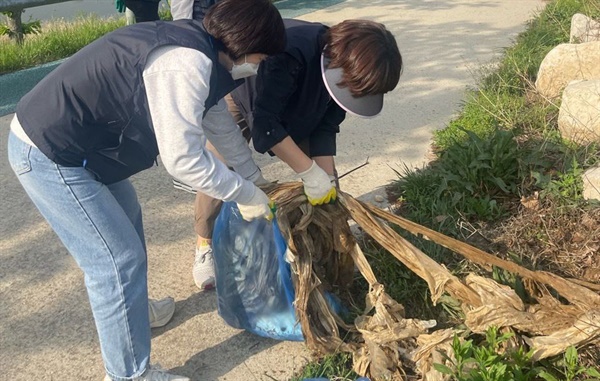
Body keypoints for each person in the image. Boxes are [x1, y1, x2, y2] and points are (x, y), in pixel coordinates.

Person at [7, 0, 285, 380]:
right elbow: (183, 160)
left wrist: (253, 177)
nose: (260, 64)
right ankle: (129, 374)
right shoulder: (185, 62)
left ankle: (131, 315)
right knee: (115, 262)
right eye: (262, 55)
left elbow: (215, 117)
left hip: (84, 148)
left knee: (128, 221)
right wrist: (246, 194)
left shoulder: (204, 51)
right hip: (50, 153)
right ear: (244, 43)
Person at [177, 18, 403, 291]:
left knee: (326, 185)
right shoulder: (290, 50)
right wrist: (308, 172)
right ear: (340, 63)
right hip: (245, 95)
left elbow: (326, 125)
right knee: (222, 167)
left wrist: (325, 177)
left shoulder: (342, 77)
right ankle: (205, 241)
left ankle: (329, 246)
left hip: (297, 104)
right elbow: (265, 126)